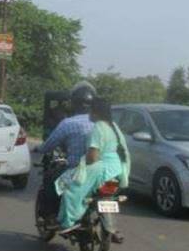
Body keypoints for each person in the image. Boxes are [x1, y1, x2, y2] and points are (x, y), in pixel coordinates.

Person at [56, 98, 131, 234]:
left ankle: (69, 221)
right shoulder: (114, 126)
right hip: (117, 171)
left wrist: (83, 165)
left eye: (90, 110)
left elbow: (93, 157)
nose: (89, 113)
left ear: (96, 113)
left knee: (69, 188)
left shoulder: (98, 127)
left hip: (102, 170)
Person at [36, 81, 96, 169]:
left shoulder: (68, 123)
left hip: (74, 172)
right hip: (100, 173)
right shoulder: (106, 124)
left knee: (52, 177)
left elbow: (48, 146)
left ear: (74, 102)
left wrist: (40, 149)